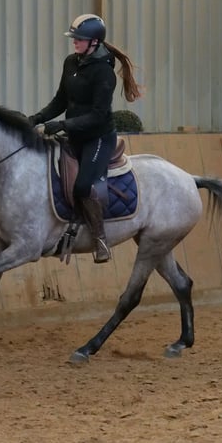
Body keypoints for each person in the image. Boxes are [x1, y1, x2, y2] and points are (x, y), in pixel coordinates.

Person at [29, 14, 142, 263]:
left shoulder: (104, 73)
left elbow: (99, 116)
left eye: (79, 39)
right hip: (74, 136)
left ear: (94, 42)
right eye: (74, 39)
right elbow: (60, 99)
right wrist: (35, 118)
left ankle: (100, 239)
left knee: (82, 185)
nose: (74, 43)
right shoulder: (71, 62)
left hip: (98, 138)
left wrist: (61, 124)